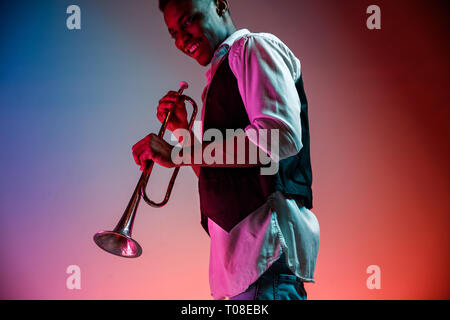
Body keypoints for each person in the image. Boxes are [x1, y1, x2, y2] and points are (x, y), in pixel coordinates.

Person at [132, 0, 320, 300]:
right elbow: (217, 175)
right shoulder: (219, 77)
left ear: (219, 5)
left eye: (188, 21)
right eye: (173, 34)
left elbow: (279, 138)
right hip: (240, 273)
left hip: (263, 263)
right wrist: (182, 131)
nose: (182, 39)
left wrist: (179, 155)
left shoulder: (252, 48)